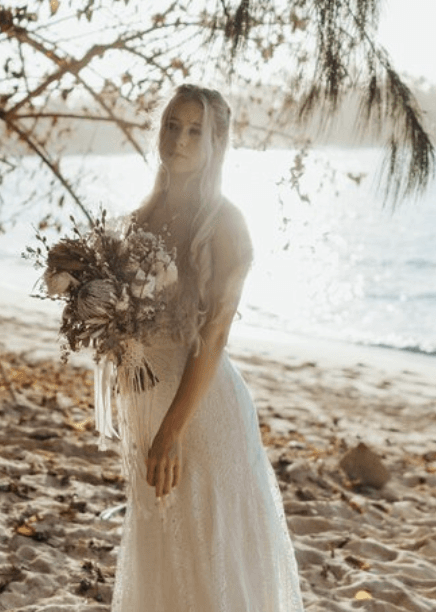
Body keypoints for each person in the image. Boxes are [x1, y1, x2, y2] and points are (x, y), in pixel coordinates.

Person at [107, 84, 305, 611]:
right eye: (172, 124)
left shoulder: (226, 225)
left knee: (208, 555)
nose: (180, 139)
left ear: (217, 143)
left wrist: (172, 429)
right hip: (148, 399)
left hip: (200, 410)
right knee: (163, 550)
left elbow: (215, 335)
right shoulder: (138, 220)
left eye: (196, 130)